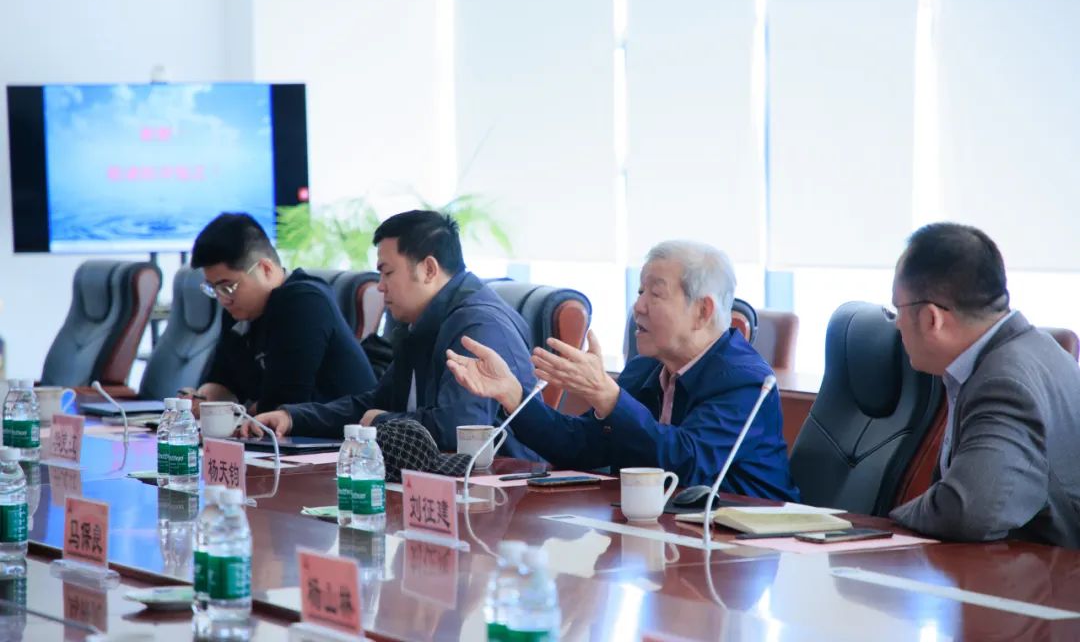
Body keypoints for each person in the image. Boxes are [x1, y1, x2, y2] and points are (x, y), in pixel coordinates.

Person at [447, 240, 799, 499]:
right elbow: (580, 446)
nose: (638, 307)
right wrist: (513, 395)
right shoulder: (647, 367)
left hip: (745, 544)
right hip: (664, 532)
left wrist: (609, 397)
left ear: (703, 311)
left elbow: (686, 464)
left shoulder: (744, 380)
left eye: (655, 294)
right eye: (640, 291)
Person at [241, 210, 540, 460]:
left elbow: (459, 428)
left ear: (429, 269)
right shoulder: (423, 322)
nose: (380, 286)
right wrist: (293, 418)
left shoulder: (478, 326)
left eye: (387, 272)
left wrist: (382, 422)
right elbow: (374, 403)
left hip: (504, 490)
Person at [887, 223, 1080, 547]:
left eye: (898, 309)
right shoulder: (1034, 349)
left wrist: (886, 518)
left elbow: (967, 511)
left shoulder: (1003, 383)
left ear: (932, 318)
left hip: (1046, 575)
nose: (896, 324)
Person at [185, 212, 377, 414]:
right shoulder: (238, 312)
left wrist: (239, 410)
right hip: (283, 431)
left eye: (228, 287)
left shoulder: (304, 302)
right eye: (213, 288)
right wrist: (200, 400)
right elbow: (223, 381)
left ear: (265, 269)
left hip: (343, 431)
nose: (223, 299)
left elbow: (283, 404)